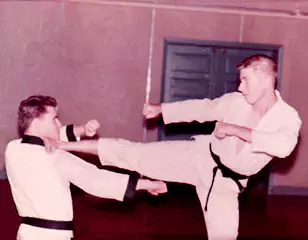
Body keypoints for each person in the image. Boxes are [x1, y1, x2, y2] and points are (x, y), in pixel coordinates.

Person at [55, 55, 302, 240]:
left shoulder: (288, 118)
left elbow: (283, 146)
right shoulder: (236, 102)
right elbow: (203, 108)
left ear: (265, 77)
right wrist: (162, 110)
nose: (240, 87)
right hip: (199, 157)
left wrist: (234, 130)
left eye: (246, 81)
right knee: (133, 153)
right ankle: (64, 145)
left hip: (227, 185)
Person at [5, 95, 167, 240]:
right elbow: (98, 180)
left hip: (26, 233)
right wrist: (148, 184)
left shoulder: (12, 149)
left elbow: (46, 137)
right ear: (36, 122)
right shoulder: (56, 158)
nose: (59, 123)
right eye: (54, 119)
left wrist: (82, 129)